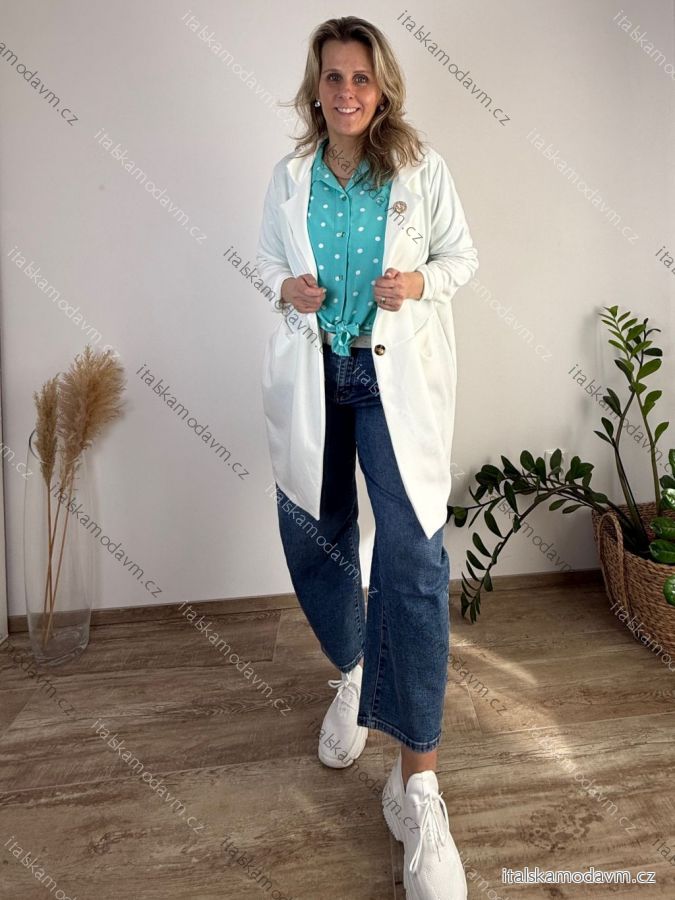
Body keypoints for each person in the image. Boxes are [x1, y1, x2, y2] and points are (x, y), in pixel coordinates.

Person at [256, 15, 478, 899]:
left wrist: (418, 282)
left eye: (360, 77)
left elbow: (461, 257)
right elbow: (265, 262)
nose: (346, 91)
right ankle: (353, 671)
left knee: (414, 560)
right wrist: (284, 288)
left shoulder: (418, 169)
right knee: (315, 534)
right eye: (332, 77)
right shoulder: (289, 178)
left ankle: (417, 783)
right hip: (316, 372)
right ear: (315, 89)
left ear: (381, 88)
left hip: (392, 381)